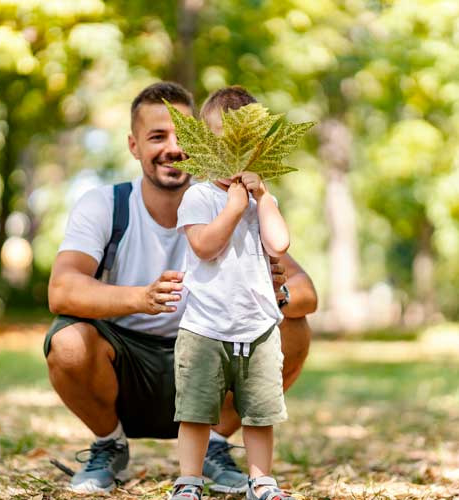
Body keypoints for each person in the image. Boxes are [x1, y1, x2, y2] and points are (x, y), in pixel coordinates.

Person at [45, 81, 317, 494]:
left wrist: (274, 292)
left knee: (293, 328)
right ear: (134, 146)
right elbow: (61, 291)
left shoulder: (237, 203)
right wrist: (141, 298)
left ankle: (217, 446)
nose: (174, 147)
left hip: (216, 351)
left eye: (183, 135)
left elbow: (306, 292)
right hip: (127, 366)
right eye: (157, 136)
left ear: (205, 141)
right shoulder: (106, 205)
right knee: (67, 341)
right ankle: (109, 443)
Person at [168, 86, 297, 500]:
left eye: (244, 146)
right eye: (222, 143)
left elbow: (279, 244)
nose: (233, 156)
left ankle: (261, 480)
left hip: (258, 326)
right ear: (204, 147)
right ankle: (189, 480)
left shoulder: (263, 201)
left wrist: (261, 198)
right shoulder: (199, 196)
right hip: (205, 326)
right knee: (196, 411)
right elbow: (204, 245)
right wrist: (233, 209)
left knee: (260, 413)